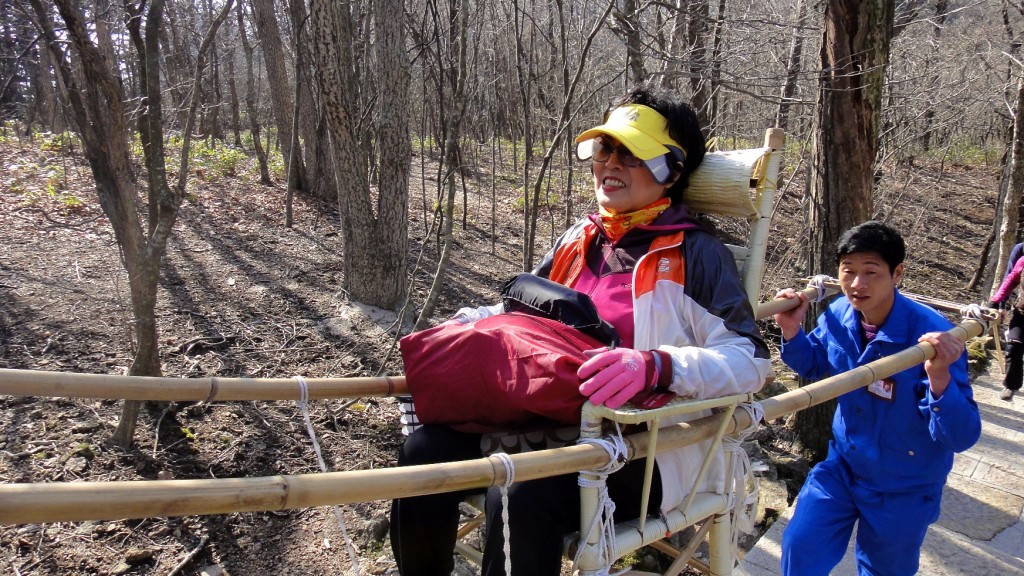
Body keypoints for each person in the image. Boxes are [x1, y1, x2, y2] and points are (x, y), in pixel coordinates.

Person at [388, 86, 772, 576]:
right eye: (605, 149)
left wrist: (656, 366)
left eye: (632, 153)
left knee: (520, 493)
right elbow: (525, 313)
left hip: (645, 446)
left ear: (671, 170)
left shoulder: (694, 254)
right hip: (546, 420)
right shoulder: (581, 236)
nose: (611, 163)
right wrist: (469, 322)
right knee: (422, 453)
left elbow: (750, 360)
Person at [772, 221, 981, 576]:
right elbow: (815, 364)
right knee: (801, 546)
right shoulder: (839, 313)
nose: (857, 284)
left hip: (904, 483)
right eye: (848, 271)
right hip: (843, 465)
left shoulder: (932, 338)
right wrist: (792, 330)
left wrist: (939, 376)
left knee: (883, 570)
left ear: (897, 273)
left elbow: (961, 436)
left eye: (871, 272)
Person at [989, 241, 1024, 400]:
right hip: (1022, 312)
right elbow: (1010, 280)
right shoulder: (1022, 258)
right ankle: (1011, 385)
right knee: (1013, 346)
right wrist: (996, 302)